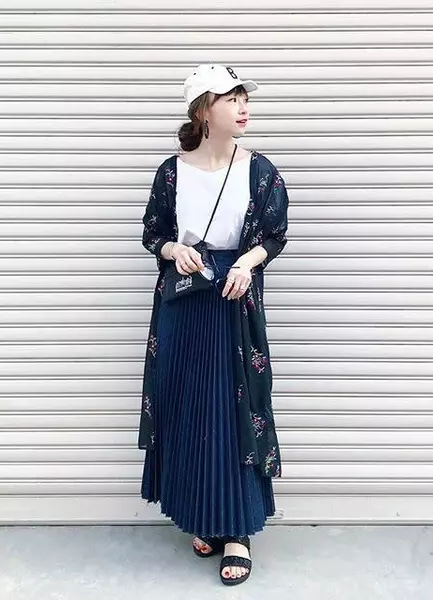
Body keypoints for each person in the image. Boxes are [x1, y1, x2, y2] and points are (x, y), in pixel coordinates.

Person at [137, 63, 290, 586]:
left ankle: (237, 531)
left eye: (244, 98)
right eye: (231, 99)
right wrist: (172, 249)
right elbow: (152, 231)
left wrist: (248, 263)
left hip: (232, 301)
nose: (243, 108)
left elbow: (275, 234)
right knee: (189, 407)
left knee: (233, 410)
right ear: (204, 110)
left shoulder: (261, 171)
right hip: (183, 303)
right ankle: (202, 513)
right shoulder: (172, 172)